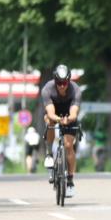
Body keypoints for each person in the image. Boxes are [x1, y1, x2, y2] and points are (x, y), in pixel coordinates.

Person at [40, 64, 82, 198]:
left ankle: (70, 180)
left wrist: (68, 120)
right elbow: (51, 113)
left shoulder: (75, 90)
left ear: (69, 81)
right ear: (55, 81)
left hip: (69, 115)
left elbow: (74, 113)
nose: (62, 86)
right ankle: (49, 154)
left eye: (64, 83)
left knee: (69, 146)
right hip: (54, 113)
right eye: (59, 83)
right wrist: (59, 119)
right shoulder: (47, 89)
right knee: (50, 122)